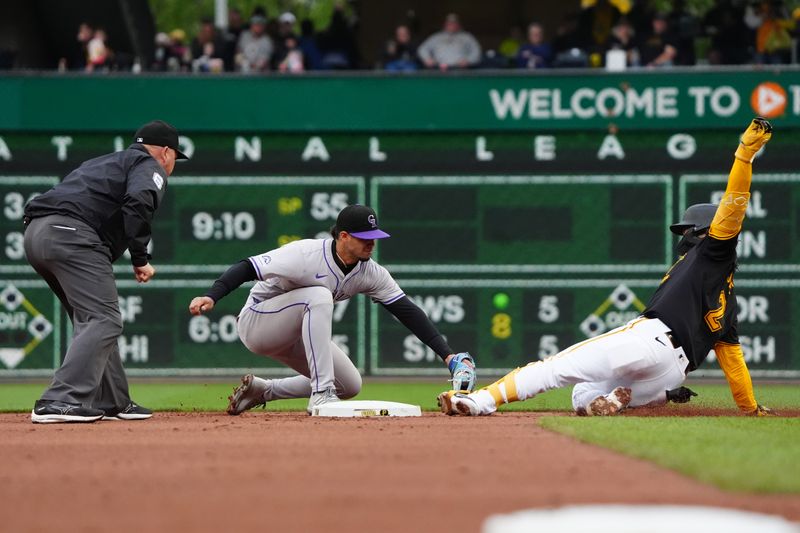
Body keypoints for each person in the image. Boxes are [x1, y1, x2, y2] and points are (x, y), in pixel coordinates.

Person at [439, 118, 775, 418]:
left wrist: (743, 157)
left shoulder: (711, 253)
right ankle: (618, 399)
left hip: (650, 340)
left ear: (705, 232)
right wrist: (750, 409)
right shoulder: (727, 303)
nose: (683, 236)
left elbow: (733, 207)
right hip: (671, 374)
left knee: (553, 369)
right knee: (582, 394)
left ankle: (478, 401)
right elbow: (734, 365)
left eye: (688, 230)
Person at [188, 204, 477, 415]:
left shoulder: (369, 272)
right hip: (259, 323)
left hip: (297, 331)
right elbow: (247, 266)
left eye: (374, 236)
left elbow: (407, 311)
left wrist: (448, 355)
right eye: (364, 236)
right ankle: (321, 394)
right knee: (319, 296)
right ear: (343, 236)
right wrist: (213, 295)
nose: (371, 243)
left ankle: (264, 391)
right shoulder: (305, 255)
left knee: (350, 385)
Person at [23, 120, 188, 424]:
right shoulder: (148, 165)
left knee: (93, 318)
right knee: (104, 319)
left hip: (38, 234)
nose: (172, 164)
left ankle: (113, 401)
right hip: (71, 234)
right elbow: (139, 202)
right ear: (165, 152)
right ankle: (59, 400)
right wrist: (140, 258)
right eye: (175, 157)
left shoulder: (107, 161)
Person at [417, 13, 482, 70]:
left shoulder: (467, 37)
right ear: (445, 24)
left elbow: (476, 51)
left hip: (460, 70)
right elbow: (422, 49)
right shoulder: (436, 37)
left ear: (458, 24)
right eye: (449, 23)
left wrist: (468, 61)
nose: (451, 25)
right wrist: (427, 59)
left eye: (454, 23)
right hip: (438, 69)